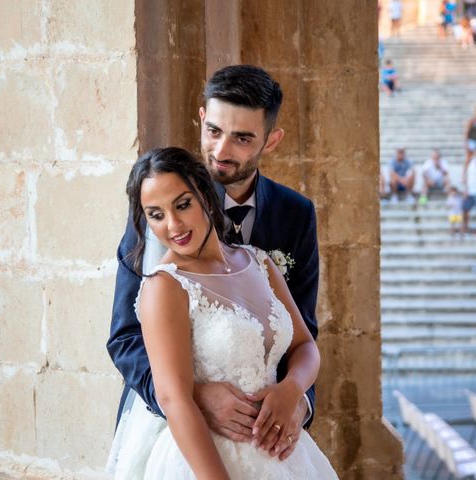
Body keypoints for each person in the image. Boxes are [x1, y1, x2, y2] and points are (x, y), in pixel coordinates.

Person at [107, 65, 321, 466]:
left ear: (270, 140)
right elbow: (124, 337)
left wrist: (295, 398)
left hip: (268, 438)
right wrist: (192, 395)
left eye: (242, 138)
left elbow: (303, 332)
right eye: (215, 131)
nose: (222, 151)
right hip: (177, 434)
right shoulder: (161, 204)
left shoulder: (295, 216)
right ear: (202, 118)